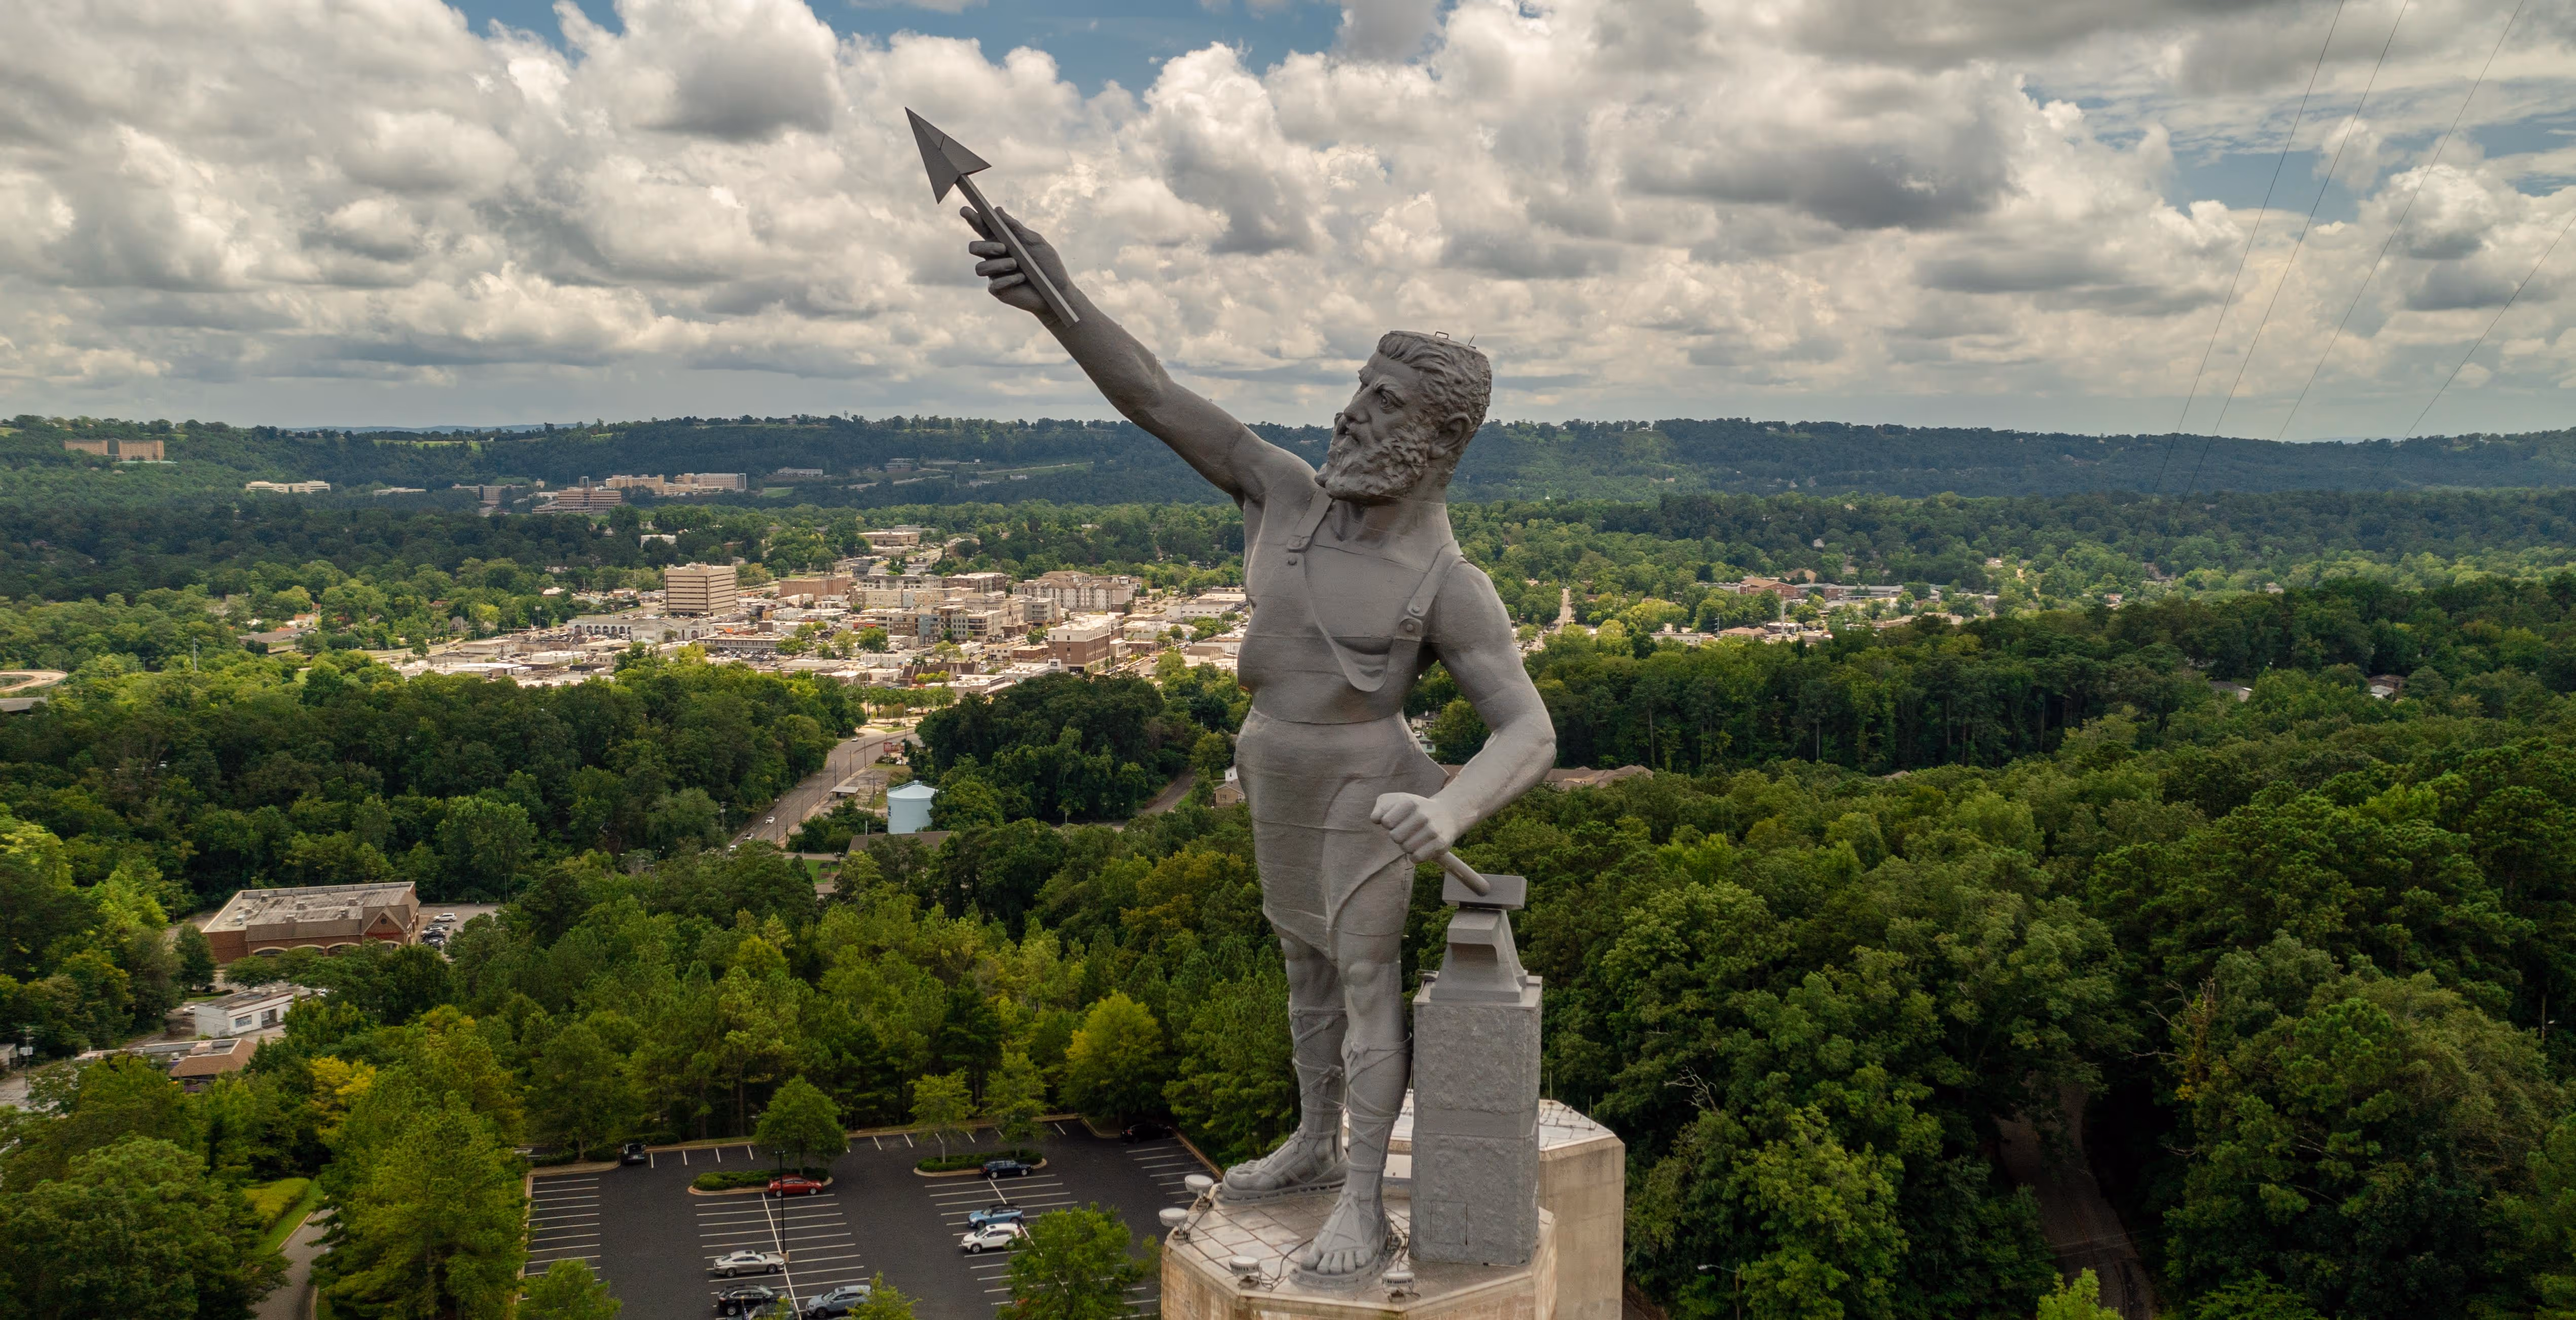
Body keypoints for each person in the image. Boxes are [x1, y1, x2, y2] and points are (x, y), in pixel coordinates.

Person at [956, 205, 1554, 1282]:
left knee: (1365, 978)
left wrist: (1449, 808)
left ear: (1437, 439)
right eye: (1357, 390)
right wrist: (1056, 299)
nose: (1347, 415)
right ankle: (1314, 1138)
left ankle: (1363, 1202)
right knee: (1301, 968)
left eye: (1381, 403)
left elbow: (1529, 728)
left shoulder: (1446, 587)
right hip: (1271, 765)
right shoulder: (1281, 493)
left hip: (1362, 784)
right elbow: (1152, 395)